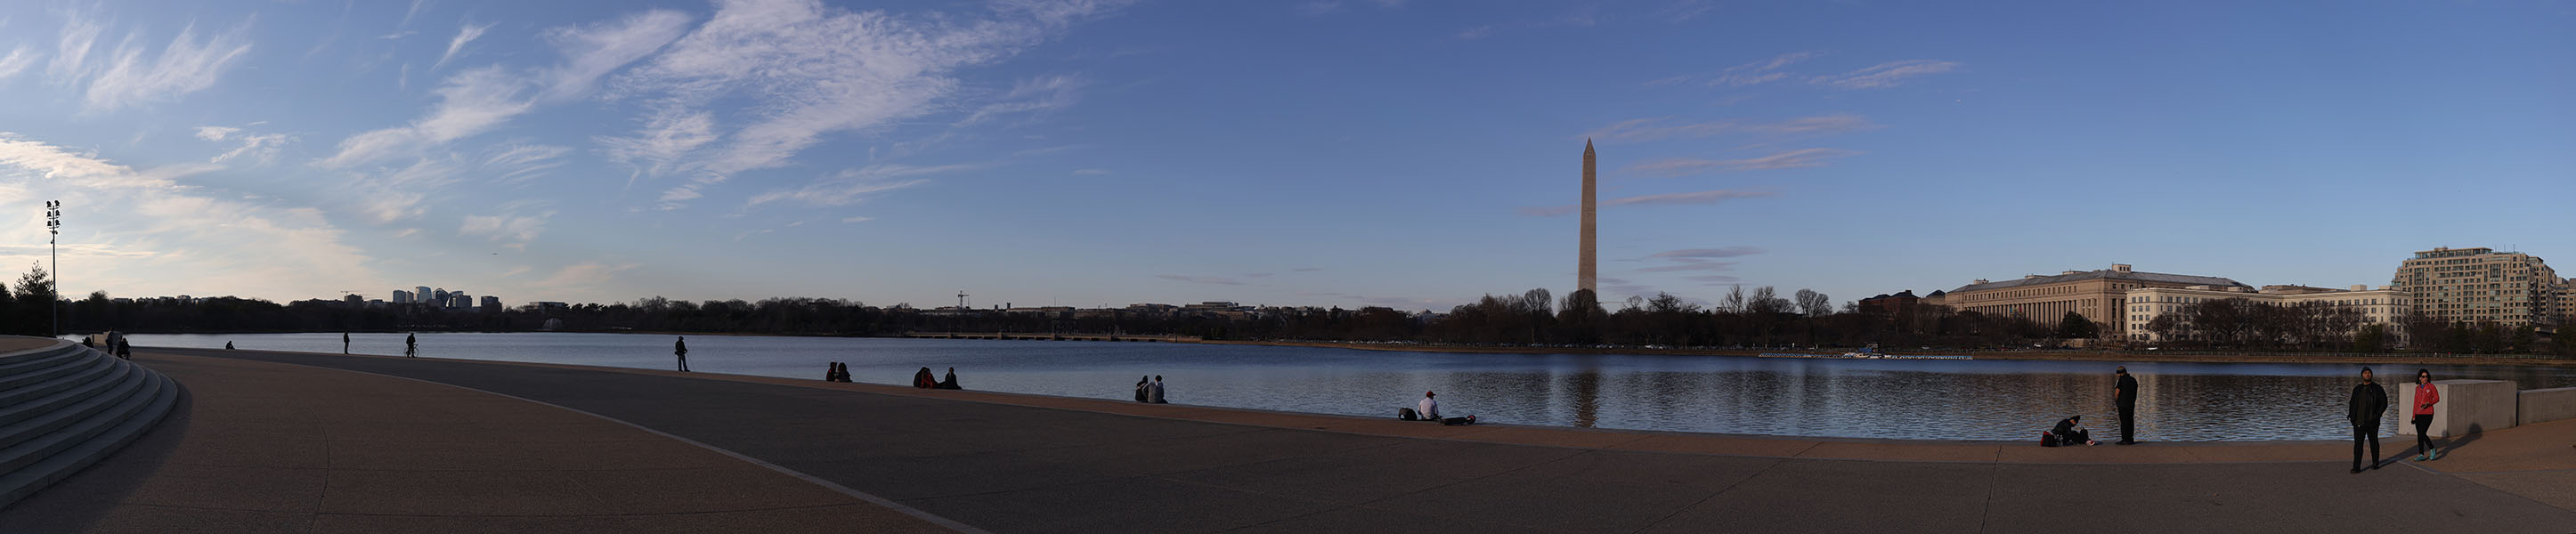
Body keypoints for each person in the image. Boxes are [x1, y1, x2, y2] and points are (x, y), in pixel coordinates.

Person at [2349, 367, 2389, 473]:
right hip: (2359, 422)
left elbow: (2384, 403)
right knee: (2358, 445)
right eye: (2365, 373)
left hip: (2372, 422)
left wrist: (2377, 415)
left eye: (2369, 373)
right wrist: (2352, 416)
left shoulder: (2377, 388)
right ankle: (2356, 466)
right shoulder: (2357, 389)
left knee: (2374, 443)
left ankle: (2375, 463)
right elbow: (2352, 403)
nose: (2367, 375)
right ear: (2362, 375)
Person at [2412, 369, 2442, 462]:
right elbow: (2415, 403)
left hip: (2428, 413)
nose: (2425, 378)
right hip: (2418, 414)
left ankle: (2432, 449)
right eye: (2423, 376)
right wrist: (2413, 415)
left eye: (2427, 376)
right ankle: (2421, 454)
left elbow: (2437, 398)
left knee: (2422, 433)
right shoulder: (2417, 388)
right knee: (2419, 435)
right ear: (2420, 378)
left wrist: (2429, 403)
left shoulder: (2431, 387)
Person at [2114, 366, 2140, 445]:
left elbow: (2117, 392)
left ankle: (2125, 439)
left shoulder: (2120, 380)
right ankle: (2130, 439)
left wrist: (2117, 401)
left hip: (2122, 405)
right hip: (2131, 404)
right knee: (2130, 421)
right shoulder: (2133, 380)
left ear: (2120, 373)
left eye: (2117, 374)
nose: (2117, 375)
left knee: (2124, 422)